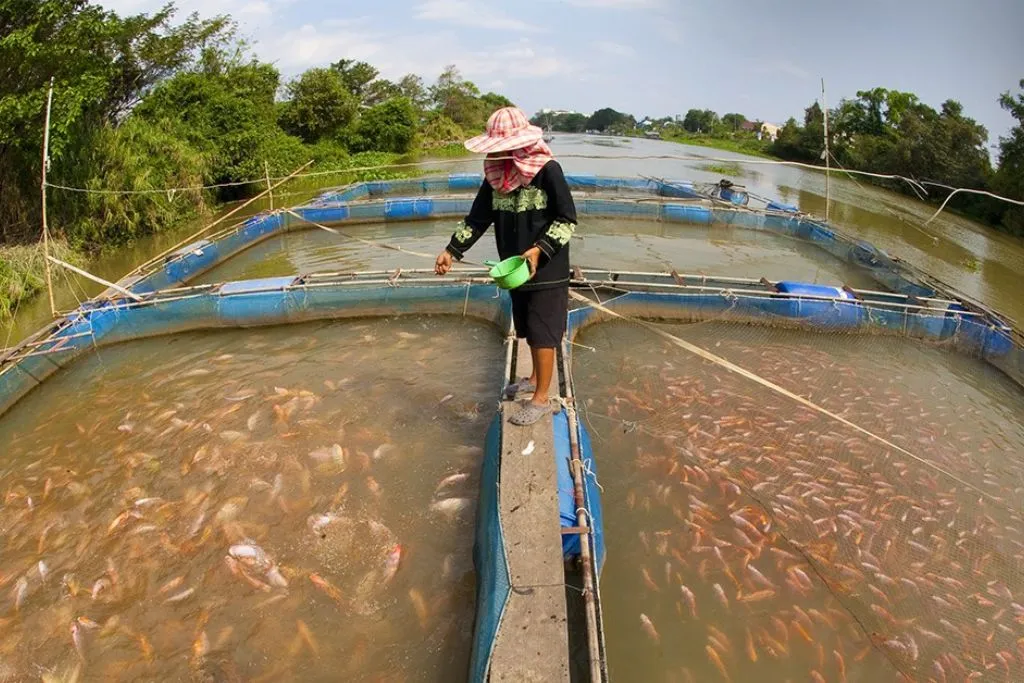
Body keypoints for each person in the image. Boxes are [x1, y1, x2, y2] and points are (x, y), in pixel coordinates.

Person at [435, 106, 577, 426]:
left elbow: (568, 219)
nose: (499, 153)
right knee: (527, 326)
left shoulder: (548, 170)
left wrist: (541, 249)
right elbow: (477, 218)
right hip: (514, 270)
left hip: (546, 271)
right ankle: (531, 378)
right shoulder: (496, 176)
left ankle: (541, 399)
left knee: (543, 333)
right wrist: (452, 250)